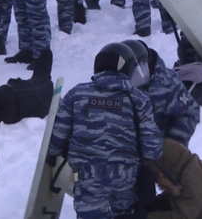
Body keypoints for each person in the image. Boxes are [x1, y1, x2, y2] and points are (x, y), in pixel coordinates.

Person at [47, 43, 163, 219]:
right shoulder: (139, 99)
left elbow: (57, 139)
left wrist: (56, 156)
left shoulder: (77, 94)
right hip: (127, 180)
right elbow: (152, 148)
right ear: (129, 68)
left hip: (89, 178)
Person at [122, 40, 199, 147]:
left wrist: (174, 144)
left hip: (158, 147)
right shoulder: (117, 78)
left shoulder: (167, 83)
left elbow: (190, 111)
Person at [145, 138, 202, 219]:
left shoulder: (193, 177)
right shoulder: (185, 170)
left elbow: (185, 216)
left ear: (167, 165)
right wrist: (152, 206)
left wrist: (148, 217)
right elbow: (173, 199)